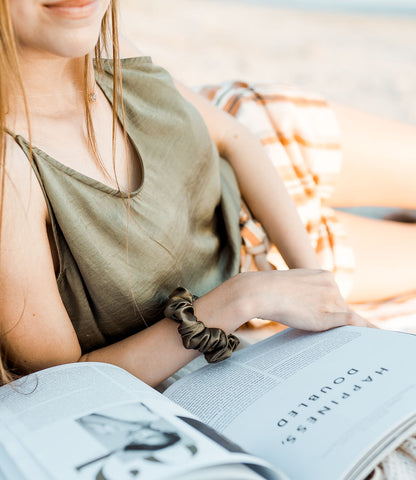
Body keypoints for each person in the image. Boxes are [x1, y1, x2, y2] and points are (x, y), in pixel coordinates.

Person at [1, 0, 415, 389]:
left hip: (273, 151)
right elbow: (65, 384)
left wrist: (314, 282)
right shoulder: (9, 174)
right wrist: (244, 297)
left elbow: (235, 137)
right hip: (253, 266)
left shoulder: (97, 38)